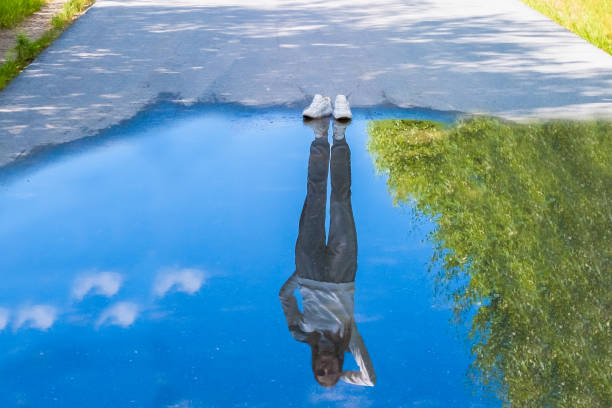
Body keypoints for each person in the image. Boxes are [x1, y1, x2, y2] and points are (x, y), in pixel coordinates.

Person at [279, 95, 376, 388]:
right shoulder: (348, 339)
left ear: (313, 367)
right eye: (330, 373)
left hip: (308, 269)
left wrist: (302, 275)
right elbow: (370, 380)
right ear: (339, 365)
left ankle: (321, 134)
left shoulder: (300, 333)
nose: (324, 369)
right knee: (340, 199)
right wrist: (346, 377)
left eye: (318, 373)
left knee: (315, 195)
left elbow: (284, 296)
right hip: (342, 272)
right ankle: (340, 135)